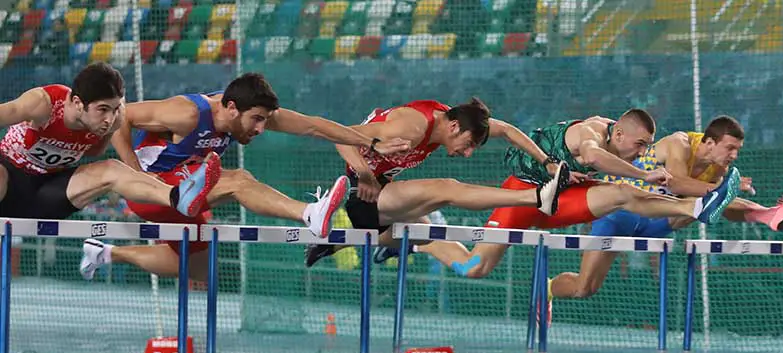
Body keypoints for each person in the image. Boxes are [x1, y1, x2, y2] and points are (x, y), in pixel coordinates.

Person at [79, 72, 411, 281]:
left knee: (196, 270)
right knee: (238, 179)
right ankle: (309, 213)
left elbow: (315, 125)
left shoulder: (248, 112)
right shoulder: (188, 113)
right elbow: (123, 117)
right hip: (155, 190)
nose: (262, 129)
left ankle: (105, 254)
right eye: (257, 120)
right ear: (232, 108)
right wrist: (136, 178)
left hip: (193, 187)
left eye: (265, 120)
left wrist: (371, 141)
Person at [362, 111, 746, 282]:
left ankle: (697, 207)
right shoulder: (591, 135)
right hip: (522, 197)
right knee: (474, 269)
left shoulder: (618, 143)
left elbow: (512, 131)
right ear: (619, 136)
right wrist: (645, 172)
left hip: (562, 198)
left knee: (621, 196)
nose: (642, 151)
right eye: (640, 145)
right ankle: (420, 242)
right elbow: (596, 157)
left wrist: (692, 194)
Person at [540, 116, 783, 323]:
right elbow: (678, 185)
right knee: (583, 288)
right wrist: (719, 191)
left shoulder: (720, 171)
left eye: (737, 150)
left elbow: (712, 201)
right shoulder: (678, 143)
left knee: (702, 207)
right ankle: (548, 288)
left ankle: (769, 215)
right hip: (618, 215)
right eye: (730, 148)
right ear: (709, 142)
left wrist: (724, 193)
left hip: (658, 222)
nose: (733, 156)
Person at [303, 98, 575, 267]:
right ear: (454, 127)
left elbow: (507, 130)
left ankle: (333, 245)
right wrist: (363, 173)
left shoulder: (455, 120)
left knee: (425, 233)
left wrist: (547, 162)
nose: (467, 154)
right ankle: (537, 197)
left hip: (383, 192)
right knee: (446, 188)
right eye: (468, 145)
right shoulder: (410, 126)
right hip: (363, 192)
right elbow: (339, 136)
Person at [0, 62, 219, 220]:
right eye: (102, 110)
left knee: (112, 168)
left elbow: (95, 152)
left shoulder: (113, 121)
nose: (110, 119)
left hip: (49, 189)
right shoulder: (44, 103)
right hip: (8, 180)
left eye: (115, 109)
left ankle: (176, 196)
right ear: (77, 103)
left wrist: (140, 174)